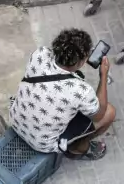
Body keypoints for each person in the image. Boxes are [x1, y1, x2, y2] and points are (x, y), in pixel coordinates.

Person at [9, 29, 116, 161]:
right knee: (109, 112)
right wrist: (103, 75)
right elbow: (99, 116)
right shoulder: (81, 90)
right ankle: (77, 148)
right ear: (80, 62)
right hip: (42, 144)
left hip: (15, 119)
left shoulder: (40, 53)